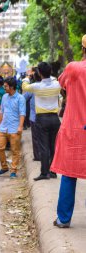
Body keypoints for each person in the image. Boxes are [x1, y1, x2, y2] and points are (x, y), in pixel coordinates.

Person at [51, 35, 86, 228]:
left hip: (75, 129)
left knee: (69, 174)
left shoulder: (74, 68)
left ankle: (63, 219)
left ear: (83, 48)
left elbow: (62, 83)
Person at [23, 62, 61, 181]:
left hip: (42, 119)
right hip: (55, 119)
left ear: (39, 73)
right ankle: (53, 171)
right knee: (53, 146)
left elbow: (24, 87)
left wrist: (27, 77)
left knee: (44, 147)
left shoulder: (36, 86)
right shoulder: (57, 84)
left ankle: (45, 172)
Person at [0, 77, 26, 178]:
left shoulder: (20, 98)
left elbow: (22, 113)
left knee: (15, 150)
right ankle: (4, 167)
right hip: (3, 127)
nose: (4, 87)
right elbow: (1, 111)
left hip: (15, 128)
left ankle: (13, 170)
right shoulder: (4, 96)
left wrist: (20, 126)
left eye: (6, 86)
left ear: (12, 87)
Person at [23, 67, 41, 161]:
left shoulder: (32, 87)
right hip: (45, 116)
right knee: (44, 138)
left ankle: (37, 156)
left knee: (35, 138)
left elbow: (23, 98)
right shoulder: (48, 85)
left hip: (34, 117)